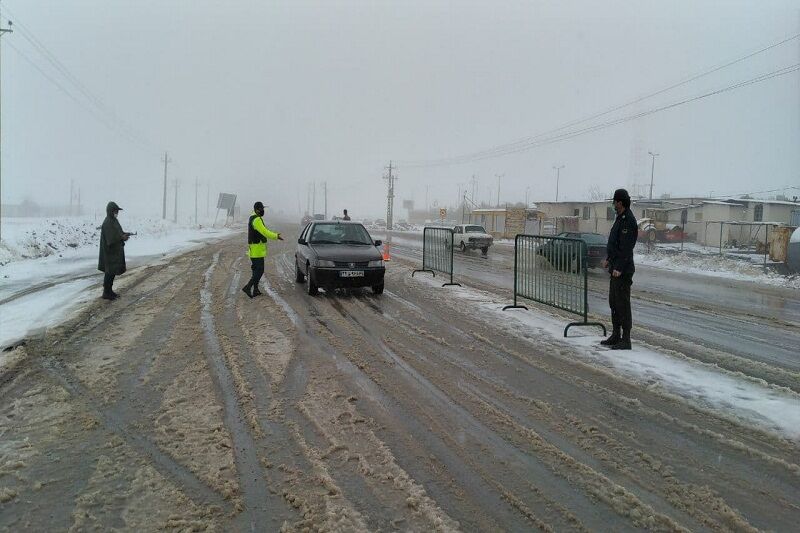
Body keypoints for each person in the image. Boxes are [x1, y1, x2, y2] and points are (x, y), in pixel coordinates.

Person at [601, 188, 638, 350]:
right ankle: (616, 334)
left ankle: (626, 338)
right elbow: (615, 244)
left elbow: (627, 247)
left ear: (620, 202)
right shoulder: (619, 218)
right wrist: (609, 259)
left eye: (614, 202)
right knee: (614, 303)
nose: (613, 204)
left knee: (622, 304)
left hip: (622, 270)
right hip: (615, 267)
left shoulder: (628, 220)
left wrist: (620, 267)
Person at [242, 201, 283, 298]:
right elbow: (265, 232)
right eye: (262, 209)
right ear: (257, 209)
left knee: (256, 270)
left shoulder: (254, 217)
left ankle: (255, 290)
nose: (263, 210)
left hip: (254, 249)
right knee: (259, 271)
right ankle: (248, 287)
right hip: (256, 250)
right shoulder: (256, 220)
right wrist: (276, 236)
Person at [98, 201, 131, 300]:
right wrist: (122, 238)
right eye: (116, 211)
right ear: (110, 211)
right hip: (109, 252)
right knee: (109, 272)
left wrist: (124, 234)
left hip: (114, 252)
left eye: (117, 211)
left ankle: (109, 291)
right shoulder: (107, 222)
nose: (117, 213)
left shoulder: (113, 220)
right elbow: (111, 239)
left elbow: (117, 232)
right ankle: (106, 292)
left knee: (112, 272)